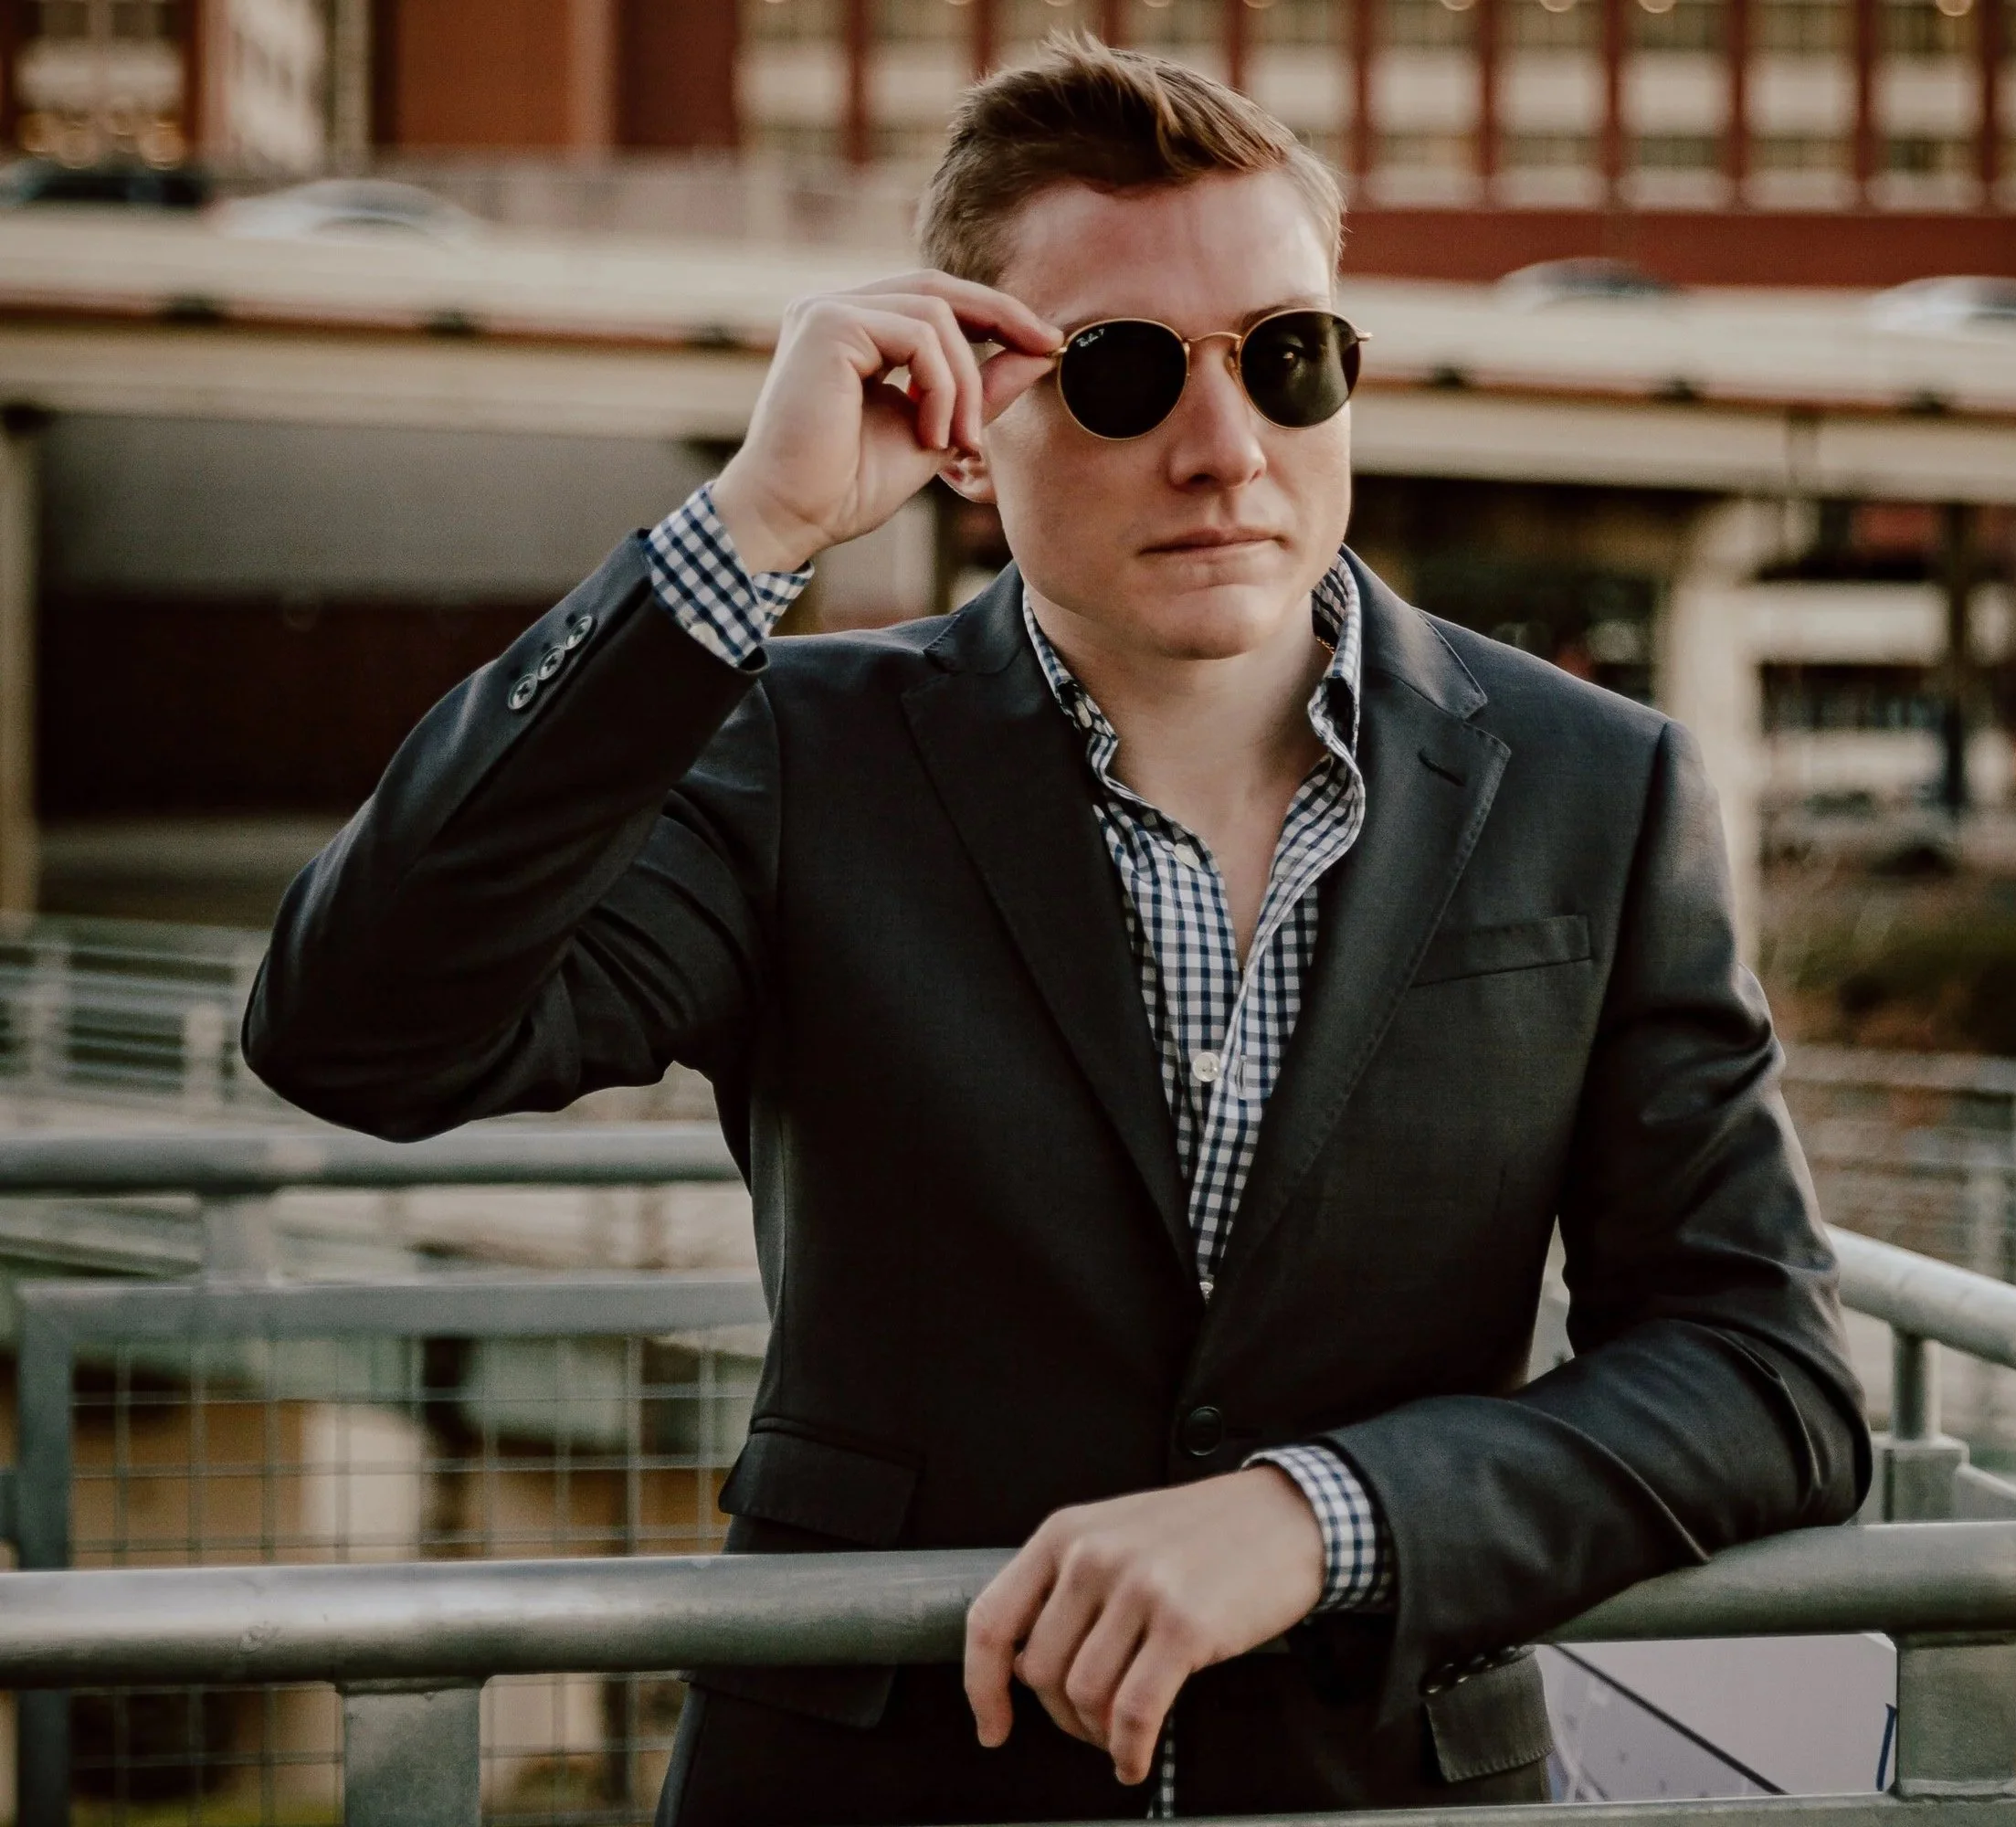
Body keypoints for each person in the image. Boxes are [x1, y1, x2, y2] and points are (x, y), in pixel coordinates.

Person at [244, 34, 1867, 1826]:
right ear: (962, 422)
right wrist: (749, 529)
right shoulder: (803, 757)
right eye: (1118, 373)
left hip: (1372, 1785)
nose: (1222, 444)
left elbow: (1763, 1377)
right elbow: (358, 1035)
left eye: (1286, 357)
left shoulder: (1593, 785)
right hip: (881, 1783)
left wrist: (1318, 1513)